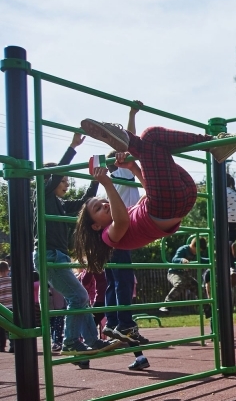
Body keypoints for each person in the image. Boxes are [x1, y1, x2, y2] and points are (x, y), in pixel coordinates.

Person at [73, 120, 236, 273]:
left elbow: (150, 191)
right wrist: (106, 183)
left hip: (182, 195)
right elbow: (122, 222)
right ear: (95, 225)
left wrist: (134, 168)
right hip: (166, 209)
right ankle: (211, 143)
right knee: (149, 136)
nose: (105, 205)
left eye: (103, 201)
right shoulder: (107, 236)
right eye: (98, 208)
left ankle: (129, 140)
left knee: (150, 142)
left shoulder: (127, 211)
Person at [33, 133, 123, 365]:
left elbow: (86, 200)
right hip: (48, 255)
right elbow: (55, 174)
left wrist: (96, 178)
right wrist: (73, 147)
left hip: (58, 255)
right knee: (78, 296)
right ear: (50, 180)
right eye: (62, 180)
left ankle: (91, 341)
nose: (65, 183)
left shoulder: (60, 204)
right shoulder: (42, 195)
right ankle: (70, 341)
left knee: (80, 298)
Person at [99, 102, 152, 370]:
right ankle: (118, 324)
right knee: (118, 282)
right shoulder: (119, 169)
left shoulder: (124, 170)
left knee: (115, 282)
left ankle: (118, 328)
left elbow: (128, 142)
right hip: (117, 230)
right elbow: (126, 142)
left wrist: (132, 115)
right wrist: (130, 117)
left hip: (121, 230)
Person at [159, 237, 208, 314]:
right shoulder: (183, 249)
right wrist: (182, 260)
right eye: (198, 250)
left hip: (185, 275)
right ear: (193, 245)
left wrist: (212, 259)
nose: (198, 252)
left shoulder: (195, 253)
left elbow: (201, 260)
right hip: (174, 272)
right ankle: (166, 304)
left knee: (199, 288)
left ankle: (207, 309)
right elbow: (174, 259)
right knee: (179, 284)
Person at [0, 261, 11, 353]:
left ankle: (1, 345)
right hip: (12, 307)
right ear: (8, 270)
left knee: (1, 329)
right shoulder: (12, 280)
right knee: (12, 328)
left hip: (2, 309)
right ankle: (13, 345)